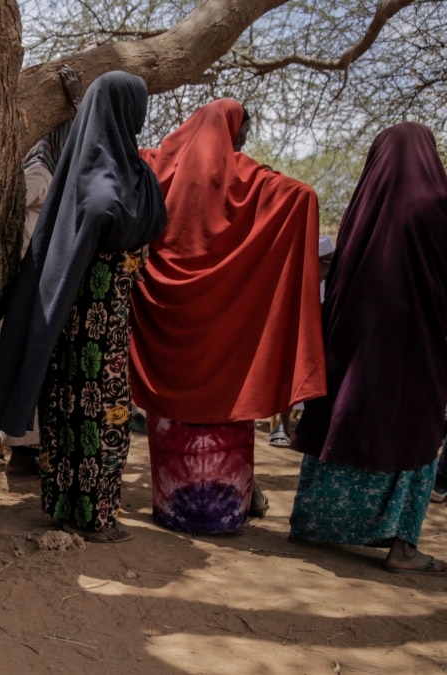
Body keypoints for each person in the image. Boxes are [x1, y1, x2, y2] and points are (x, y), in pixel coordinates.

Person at [0, 72, 167, 544]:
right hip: (84, 322)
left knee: (91, 415)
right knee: (90, 416)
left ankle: (77, 508)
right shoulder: (96, 176)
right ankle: (89, 515)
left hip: (111, 319)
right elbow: (108, 215)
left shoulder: (129, 168)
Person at [130, 99, 325, 535]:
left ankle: (171, 508)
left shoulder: (156, 164)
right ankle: (228, 511)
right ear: (234, 131)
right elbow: (304, 196)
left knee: (174, 424)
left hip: (168, 336)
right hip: (226, 344)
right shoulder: (252, 179)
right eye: (241, 135)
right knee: (224, 418)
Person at [289, 123, 447, 575]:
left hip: (355, 342)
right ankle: (402, 547)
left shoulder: (362, 208)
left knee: (343, 415)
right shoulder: (439, 203)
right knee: (413, 431)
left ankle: (314, 522)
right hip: (418, 347)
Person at [0, 64, 83, 475]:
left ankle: (28, 447)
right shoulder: (40, 169)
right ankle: (24, 449)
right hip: (35, 279)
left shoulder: (51, 171)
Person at [269, 233, 337, 448]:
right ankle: (281, 423)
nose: (330, 268)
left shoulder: (333, 283)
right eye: (327, 263)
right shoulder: (294, 281)